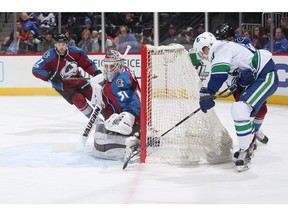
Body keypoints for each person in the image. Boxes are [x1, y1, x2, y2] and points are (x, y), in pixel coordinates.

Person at [193, 32, 279, 171]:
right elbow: (231, 83)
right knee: (241, 110)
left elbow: (219, 74)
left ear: (208, 45)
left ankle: (246, 147)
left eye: (203, 51)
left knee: (241, 109)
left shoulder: (220, 48)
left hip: (265, 75)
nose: (204, 56)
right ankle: (249, 143)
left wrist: (209, 92)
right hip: (258, 78)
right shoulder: (222, 55)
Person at [214, 23, 270, 145]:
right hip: (236, 82)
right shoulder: (220, 49)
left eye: (227, 39)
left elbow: (252, 56)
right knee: (244, 110)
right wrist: (236, 82)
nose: (224, 42)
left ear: (232, 37)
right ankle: (250, 139)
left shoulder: (243, 41)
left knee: (262, 109)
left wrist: (250, 71)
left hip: (251, 79)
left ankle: (256, 130)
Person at [32, 33, 101, 118]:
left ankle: (109, 118)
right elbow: (36, 69)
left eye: (63, 44)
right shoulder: (49, 56)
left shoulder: (76, 52)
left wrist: (95, 72)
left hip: (80, 81)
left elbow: (87, 64)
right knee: (79, 100)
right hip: (64, 87)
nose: (61, 47)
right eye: (59, 45)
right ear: (55, 45)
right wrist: (50, 76)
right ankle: (96, 121)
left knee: (95, 97)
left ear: (67, 44)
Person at [90, 50, 141, 161]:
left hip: (135, 118)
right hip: (132, 114)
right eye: (106, 66)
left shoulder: (120, 81)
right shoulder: (122, 72)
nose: (108, 69)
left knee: (113, 124)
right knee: (107, 123)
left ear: (119, 65)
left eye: (112, 66)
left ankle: (136, 137)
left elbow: (132, 105)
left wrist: (128, 118)